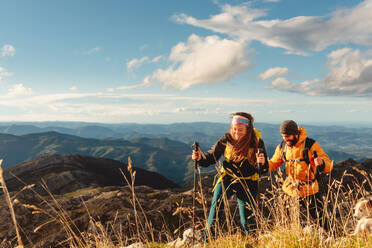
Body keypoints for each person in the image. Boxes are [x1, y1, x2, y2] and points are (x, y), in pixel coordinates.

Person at [192, 112, 268, 237]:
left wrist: (262, 163)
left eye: (240, 129)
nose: (236, 132)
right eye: (234, 129)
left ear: (248, 129)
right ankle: (209, 240)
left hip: (248, 181)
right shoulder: (227, 138)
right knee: (216, 209)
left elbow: (262, 169)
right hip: (227, 178)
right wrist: (200, 158)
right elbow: (212, 157)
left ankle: (254, 239)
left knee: (247, 218)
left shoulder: (256, 142)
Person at [257, 120, 333, 229]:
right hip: (290, 189)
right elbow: (274, 163)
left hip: (309, 189)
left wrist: (322, 164)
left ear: (295, 134)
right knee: (287, 222)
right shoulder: (282, 147)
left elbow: (328, 164)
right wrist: (264, 163)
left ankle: (330, 238)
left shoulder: (310, 145)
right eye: (283, 136)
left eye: (287, 136)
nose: (285, 139)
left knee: (321, 221)